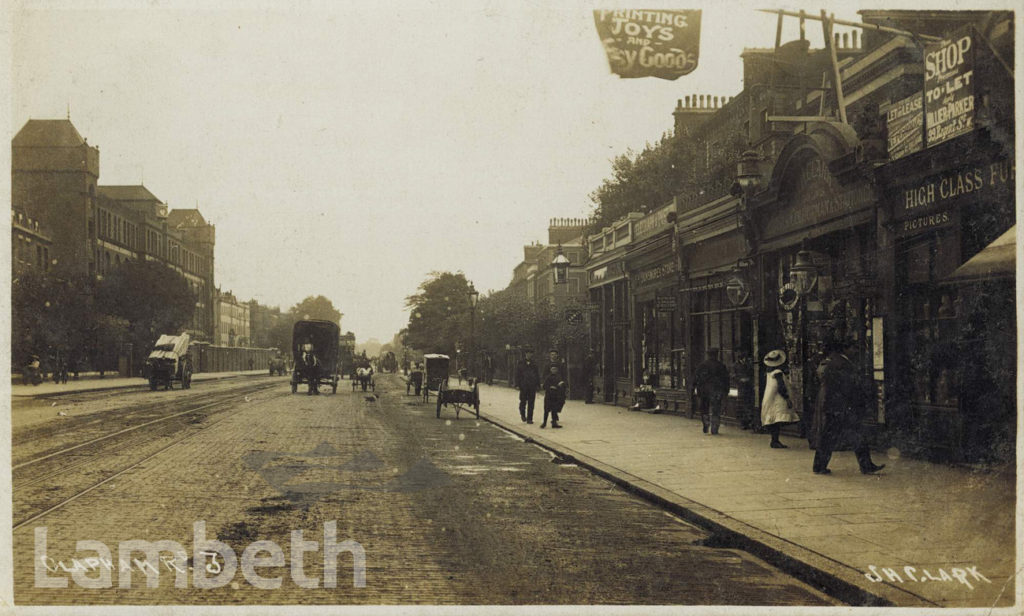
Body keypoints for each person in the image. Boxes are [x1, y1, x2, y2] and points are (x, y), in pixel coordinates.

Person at [810, 339, 885, 475]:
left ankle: (820, 466)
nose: (855, 351)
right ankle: (866, 466)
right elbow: (848, 387)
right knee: (850, 436)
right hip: (842, 407)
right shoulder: (841, 364)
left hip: (837, 407)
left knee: (837, 437)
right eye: (853, 348)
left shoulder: (836, 362)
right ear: (845, 349)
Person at [760, 349, 800, 448]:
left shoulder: (769, 372)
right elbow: (781, 386)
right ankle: (775, 440)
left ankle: (774, 440)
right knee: (777, 418)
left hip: (770, 397)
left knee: (773, 419)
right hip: (778, 398)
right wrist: (787, 398)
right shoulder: (778, 372)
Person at [693, 348, 730, 435]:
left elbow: (696, 377)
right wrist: (726, 391)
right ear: (716, 355)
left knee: (704, 408)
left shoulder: (702, 365)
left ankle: (706, 422)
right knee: (716, 409)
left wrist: (694, 388)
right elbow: (726, 379)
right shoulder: (721, 366)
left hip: (704, 391)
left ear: (708, 355)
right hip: (717, 390)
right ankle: (715, 428)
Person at [515, 347, 540, 424]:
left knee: (531, 402)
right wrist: (517, 384)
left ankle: (530, 418)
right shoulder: (520, 363)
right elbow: (517, 374)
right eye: (528, 353)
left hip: (532, 386)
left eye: (530, 353)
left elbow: (537, 375)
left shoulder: (534, 363)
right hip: (523, 386)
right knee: (523, 401)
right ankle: (522, 414)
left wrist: (538, 384)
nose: (529, 354)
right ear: (525, 354)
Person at [734, 347, 755, 429]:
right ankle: (743, 423)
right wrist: (740, 380)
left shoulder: (749, 364)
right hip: (741, 388)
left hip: (749, 387)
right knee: (742, 405)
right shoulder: (735, 365)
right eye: (743, 358)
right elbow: (733, 375)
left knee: (748, 404)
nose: (745, 360)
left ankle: (749, 422)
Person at [541, 364, 566, 428]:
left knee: (554, 410)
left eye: (555, 369)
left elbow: (563, 385)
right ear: (550, 370)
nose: (554, 370)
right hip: (549, 396)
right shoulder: (548, 377)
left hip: (556, 396)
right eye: (553, 369)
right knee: (546, 410)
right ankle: (544, 422)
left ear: (557, 370)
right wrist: (550, 387)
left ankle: (554, 423)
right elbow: (544, 386)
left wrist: (560, 386)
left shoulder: (559, 377)